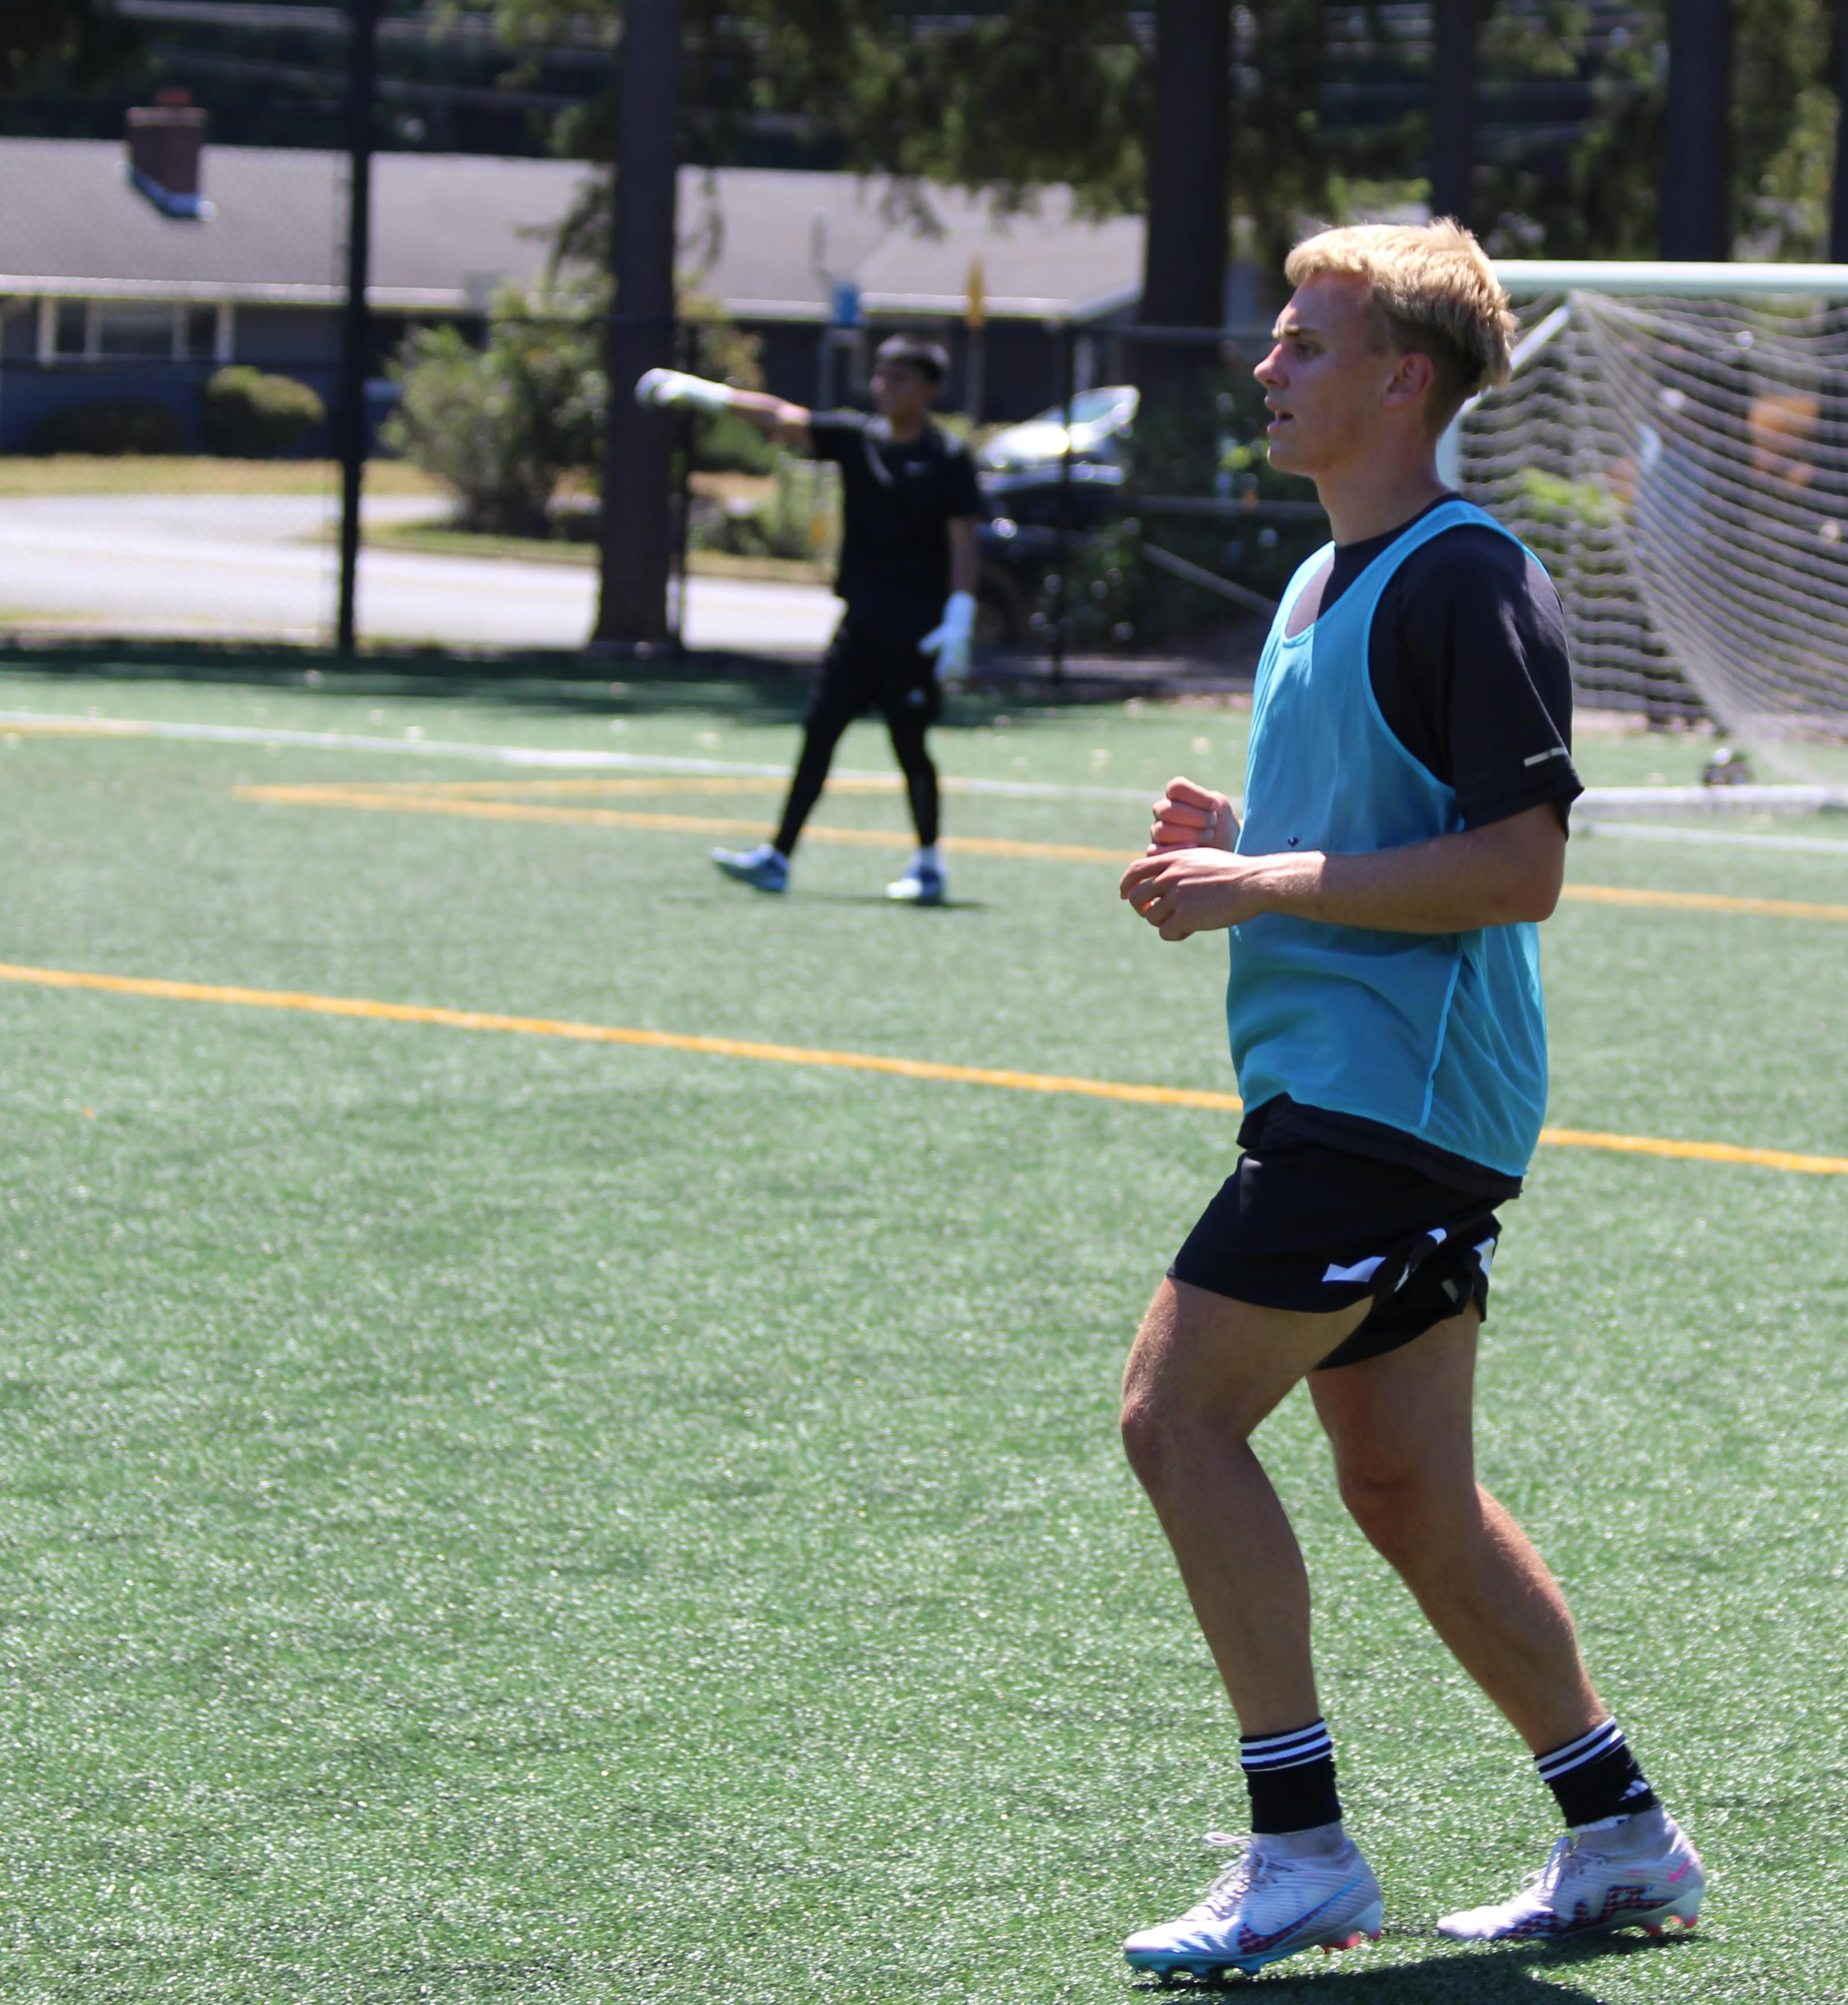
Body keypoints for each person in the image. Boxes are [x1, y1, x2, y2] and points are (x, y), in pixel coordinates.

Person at [1109, 221, 1705, 1981]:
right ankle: (1622, 1836)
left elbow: (1519, 869)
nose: (1268, 368)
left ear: (1402, 381)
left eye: (1304, 343)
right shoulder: (1321, 584)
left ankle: (1299, 1852)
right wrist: (1250, 841)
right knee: (1404, 1490)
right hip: (1352, 1087)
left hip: (1396, 1101)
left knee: (1173, 1416)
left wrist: (1272, 879)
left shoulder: (1465, 572)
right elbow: (1385, 826)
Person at [643, 334, 981, 906]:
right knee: (818, 733)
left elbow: (964, 539)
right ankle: (778, 857)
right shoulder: (857, 439)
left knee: (910, 746)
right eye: (881, 375)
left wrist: (960, 617)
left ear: (927, 389)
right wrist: (698, 393)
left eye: (899, 378)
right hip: (860, 625)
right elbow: (778, 416)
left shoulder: (948, 459)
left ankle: (928, 864)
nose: (885, 387)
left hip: (915, 630)